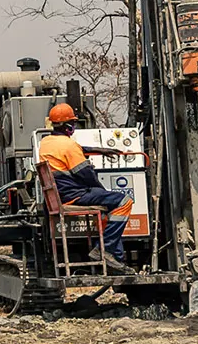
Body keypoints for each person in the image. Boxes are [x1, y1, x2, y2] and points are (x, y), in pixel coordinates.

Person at [34, 102, 133, 261]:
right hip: (75, 196)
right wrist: (102, 190)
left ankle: (114, 256)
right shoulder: (69, 145)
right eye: (73, 123)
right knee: (123, 201)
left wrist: (98, 149)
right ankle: (105, 250)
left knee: (108, 204)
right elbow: (86, 175)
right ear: (67, 126)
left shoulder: (46, 143)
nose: (74, 127)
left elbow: (73, 148)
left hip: (60, 196)